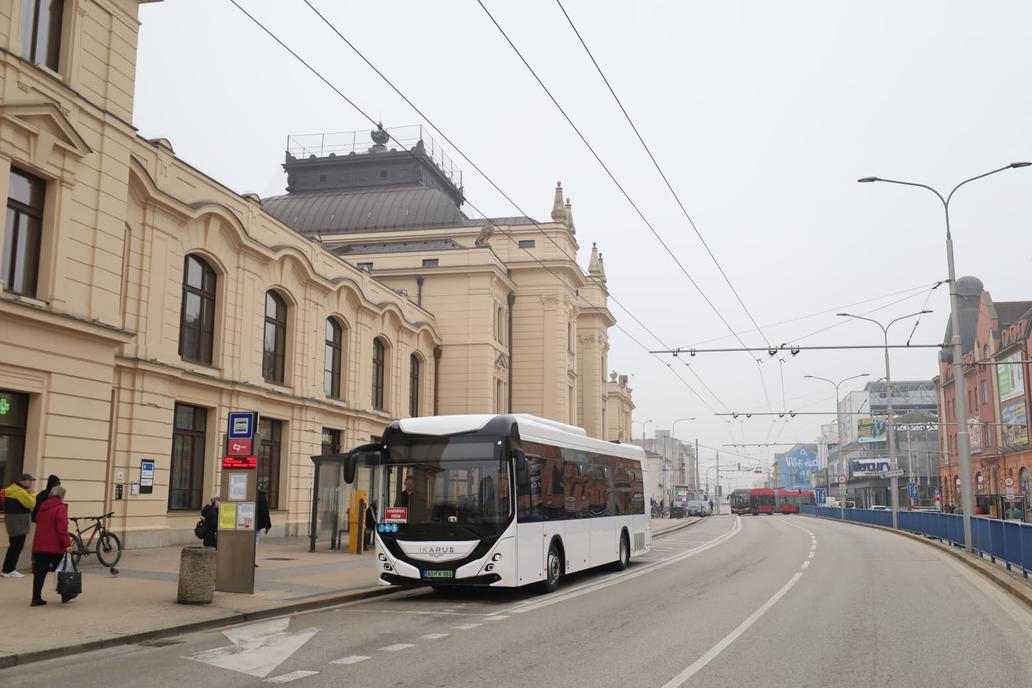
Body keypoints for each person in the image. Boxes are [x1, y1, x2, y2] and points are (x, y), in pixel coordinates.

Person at [31, 485, 73, 606]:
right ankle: (65, 595)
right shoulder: (60, 508)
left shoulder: (42, 507)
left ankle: (36, 598)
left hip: (40, 545)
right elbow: (62, 529)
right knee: (61, 571)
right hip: (55, 546)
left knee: (39, 572)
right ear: (61, 496)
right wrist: (67, 544)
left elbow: (37, 521)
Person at [2, 473, 36, 578]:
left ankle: (7, 569)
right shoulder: (21, 492)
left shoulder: (12, 489)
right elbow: (31, 504)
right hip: (19, 522)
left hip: (13, 522)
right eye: (30, 481)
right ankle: (9, 569)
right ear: (23, 481)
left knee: (13, 546)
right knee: (17, 546)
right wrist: (32, 494)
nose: (31, 483)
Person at [254, 490, 272, 567]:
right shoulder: (261, 497)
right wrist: (268, 525)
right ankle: (251, 561)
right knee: (254, 543)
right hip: (256, 525)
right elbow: (265, 512)